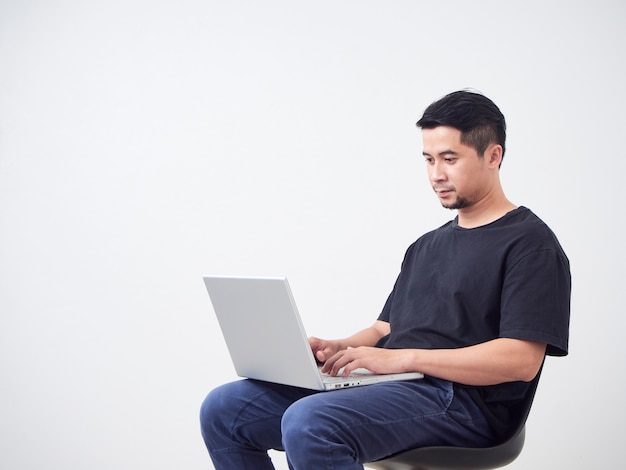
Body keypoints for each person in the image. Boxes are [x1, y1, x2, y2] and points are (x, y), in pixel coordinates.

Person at [199, 90, 571, 469]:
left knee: (311, 422)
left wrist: (400, 359)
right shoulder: (426, 246)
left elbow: (520, 361)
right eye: (428, 159)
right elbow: (385, 328)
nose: (436, 174)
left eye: (449, 159)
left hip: (464, 403)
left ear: (493, 156)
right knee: (225, 409)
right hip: (398, 386)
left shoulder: (530, 244)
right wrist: (339, 348)